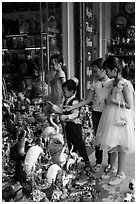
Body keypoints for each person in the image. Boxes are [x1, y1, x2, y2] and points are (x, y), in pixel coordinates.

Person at [66, 58, 113, 173]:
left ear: (103, 70)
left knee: (110, 138)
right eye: (92, 71)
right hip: (96, 112)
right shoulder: (94, 83)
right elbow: (87, 100)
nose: (94, 74)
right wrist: (73, 107)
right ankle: (98, 161)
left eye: (96, 71)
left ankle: (111, 164)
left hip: (109, 112)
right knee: (98, 137)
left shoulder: (111, 82)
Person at [96, 56, 135, 185]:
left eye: (107, 70)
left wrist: (113, 101)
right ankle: (112, 168)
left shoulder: (125, 84)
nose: (106, 73)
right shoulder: (112, 83)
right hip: (111, 116)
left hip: (121, 117)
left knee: (121, 145)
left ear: (114, 70)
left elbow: (130, 105)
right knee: (111, 143)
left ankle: (121, 173)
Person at [60, 79, 90, 169]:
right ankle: (72, 160)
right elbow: (63, 110)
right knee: (70, 143)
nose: (63, 93)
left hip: (75, 126)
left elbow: (75, 114)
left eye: (65, 92)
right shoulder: (65, 101)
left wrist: (66, 117)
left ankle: (86, 160)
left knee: (79, 143)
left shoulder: (74, 102)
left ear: (71, 91)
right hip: (68, 125)